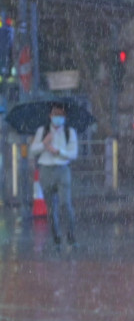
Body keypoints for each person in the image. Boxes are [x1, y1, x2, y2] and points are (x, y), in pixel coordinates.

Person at [29, 102, 78, 249]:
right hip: (46, 171)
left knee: (65, 204)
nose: (58, 118)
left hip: (63, 170)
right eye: (55, 114)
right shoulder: (42, 131)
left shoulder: (70, 132)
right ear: (50, 116)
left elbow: (73, 153)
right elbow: (33, 151)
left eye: (61, 115)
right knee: (51, 208)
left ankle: (71, 236)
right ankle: (56, 237)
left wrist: (59, 152)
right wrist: (44, 143)